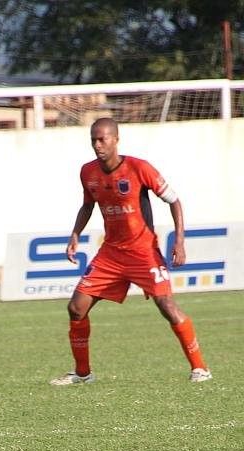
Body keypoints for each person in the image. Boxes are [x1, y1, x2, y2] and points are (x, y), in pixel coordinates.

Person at [50, 117, 211, 386]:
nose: (97, 145)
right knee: (76, 308)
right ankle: (83, 373)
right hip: (111, 254)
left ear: (116, 140)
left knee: (167, 306)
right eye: (93, 140)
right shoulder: (88, 172)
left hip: (143, 252)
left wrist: (179, 241)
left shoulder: (139, 168)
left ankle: (200, 368)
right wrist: (75, 234)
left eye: (102, 139)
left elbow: (174, 201)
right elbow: (88, 205)